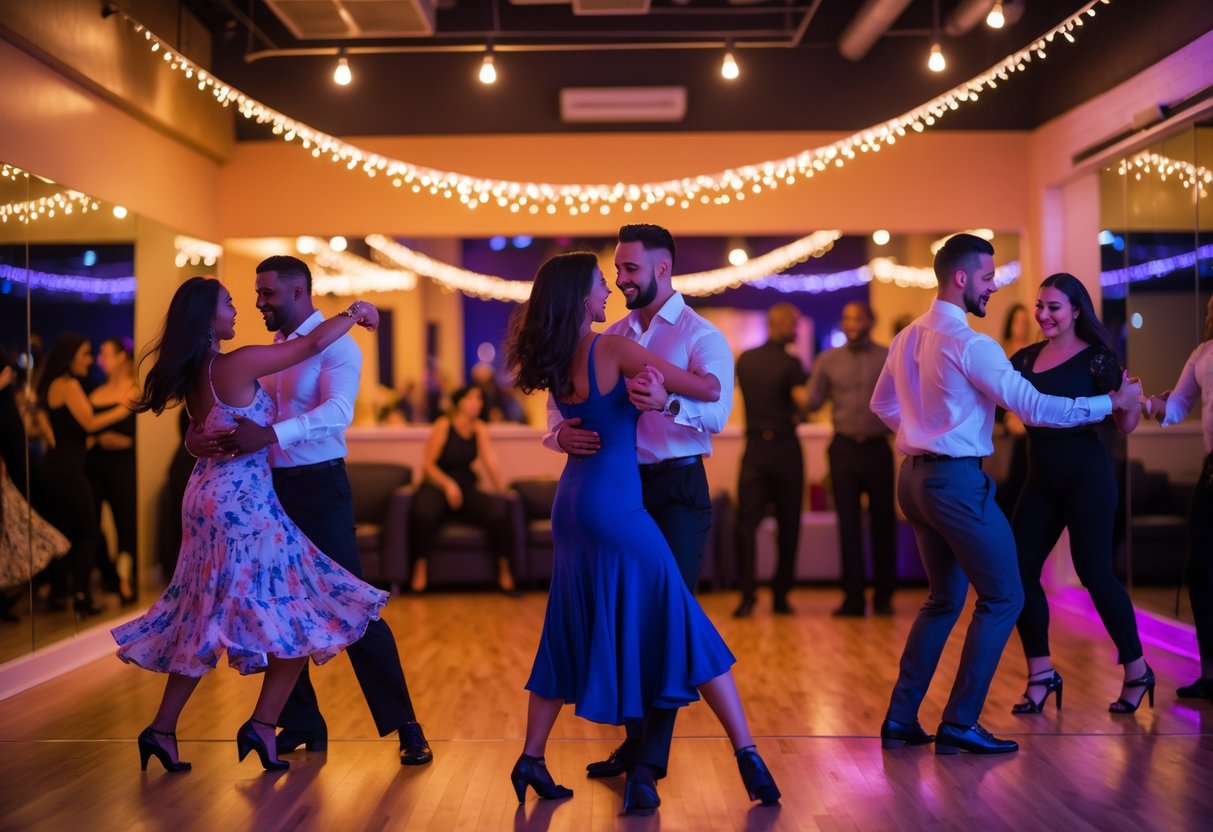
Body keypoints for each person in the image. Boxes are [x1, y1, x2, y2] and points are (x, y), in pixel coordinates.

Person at [507, 252, 778, 814]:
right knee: (686, 625)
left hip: (573, 507)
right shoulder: (613, 347)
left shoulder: (554, 354)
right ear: (580, 297)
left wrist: (574, 430)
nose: (609, 289)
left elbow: (568, 419)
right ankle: (746, 752)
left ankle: (531, 757)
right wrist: (666, 392)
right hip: (617, 511)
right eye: (600, 282)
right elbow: (708, 389)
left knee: (568, 629)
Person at [870, 234, 1143, 755]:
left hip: (914, 480)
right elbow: (1036, 408)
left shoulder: (908, 336)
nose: (994, 287)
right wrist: (1109, 402)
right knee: (1006, 594)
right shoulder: (972, 345)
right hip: (955, 483)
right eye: (989, 277)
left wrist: (925, 432)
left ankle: (901, 719)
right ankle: (959, 722)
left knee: (943, 600)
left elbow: (882, 405)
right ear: (961, 278)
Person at [110, 276, 388, 774]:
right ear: (207, 319)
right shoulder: (233, 364)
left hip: (207, 497)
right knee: (300, 611)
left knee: (203, 615)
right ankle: (260, 724)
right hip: (241, 503)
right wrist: (357, 310)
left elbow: (200, 432)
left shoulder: (198, 371)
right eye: (229, 303)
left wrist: (194, 442)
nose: (239, 309)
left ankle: (163, 729)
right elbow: (311, 344)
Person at [191, 255, 432, 766]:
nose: (259, 303)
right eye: (256, 294)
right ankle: (302, 722)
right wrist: (199, 439)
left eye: (268, 294)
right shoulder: (270, 353)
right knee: (277, 607)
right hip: (266, 490)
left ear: (298, 293)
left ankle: (406, 725)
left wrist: (270, 434)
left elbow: (338, 413)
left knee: (353, 603)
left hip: (320, 488)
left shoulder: (338, 344)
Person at [545, 224, 734, 789]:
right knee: (623, 619)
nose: (620, 280)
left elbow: (718, 413)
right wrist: (558, 437)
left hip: (677, 492)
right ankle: (634, 747)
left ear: (662, 269)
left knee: (669, 623)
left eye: (629, 269)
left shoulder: (702, 335)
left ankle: (651, 761)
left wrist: (667, 403)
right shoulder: (610, 334)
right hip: (621, 492)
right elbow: (558, 411)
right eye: (616, 271)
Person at [1008, 274, 1152, 715]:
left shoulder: (1098, 358)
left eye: (1053, 307)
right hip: (1040, 479)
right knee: (1018, 573)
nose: (1044, 314)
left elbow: (1125, 424)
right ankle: (1040, 674)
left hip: (1087, 477)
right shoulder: (1024, 359)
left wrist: (1131, 399)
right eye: (1040, 305)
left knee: (1095, 574)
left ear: (1075, 310)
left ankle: (1137, 670)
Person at [805, 300, 897, 618]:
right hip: (843, 449)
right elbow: (812, 401)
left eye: (858, 318)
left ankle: (884, 596)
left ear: (871, 321)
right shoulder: (828, 360)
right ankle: (853, 598)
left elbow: (906, 395)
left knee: (883, 523)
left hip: (878, 448)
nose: (852, 323)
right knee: (848, 524)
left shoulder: (888, 357)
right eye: (847, 318)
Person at [35, 333, 133, 616]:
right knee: (89, 531)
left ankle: (58, 590)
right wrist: (123, 409)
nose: (90, 361)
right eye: (86, 354)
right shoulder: (68, 385)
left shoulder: (53, 385)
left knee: (64, 530)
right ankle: (81, 597)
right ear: (70, 357)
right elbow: (89, 422)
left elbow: (65, 427)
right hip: (67, 470)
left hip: (54, 467)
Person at [1145, 294, 1213, 700]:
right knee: (1201, 571)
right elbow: (1176, 407)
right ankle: (1210, 673)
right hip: (1210, 472)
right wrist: (1141, 402)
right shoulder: (1202, 353)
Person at [732, 302, 808, 618]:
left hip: (754, 448)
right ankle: (780, 596)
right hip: (786, 448)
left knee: (745, 524)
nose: (796, 330)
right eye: (793, 323)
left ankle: (747, 596)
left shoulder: (746, 360)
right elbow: (804, 404)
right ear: (778, 323)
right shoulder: (791, 363)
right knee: (788, 524)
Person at [407, 384, 519, 594]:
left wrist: (503, 491)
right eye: (471, 398)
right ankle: (419, 570)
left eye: (479, 399)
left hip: (465, 484)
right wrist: (448, 484)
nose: (476, 403)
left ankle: (505, 573)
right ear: (459, 402)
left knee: (496, 514)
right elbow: (428, 465)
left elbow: (490, 460)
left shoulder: (480, 428)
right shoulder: (444, 424)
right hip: (437, 483)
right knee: (424, 515)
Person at [87, 336, 139, 604]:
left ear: (121, 357)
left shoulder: (134, 391)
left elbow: (142, 435)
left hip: (122, 466)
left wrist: (127, 442)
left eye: (104, 353)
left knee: (125, 523)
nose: (99, 359)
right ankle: (104, 574)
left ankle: (124, 579)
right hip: (94, 466)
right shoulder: (95, 393)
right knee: (90, 522)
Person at [995, 303, 1032, 518]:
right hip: (1008, 423)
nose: (1022, 326)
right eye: (1018, 321)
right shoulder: (1001, 351)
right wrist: (1008, 418)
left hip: (1028, 422)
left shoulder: (1034, 352)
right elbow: (994, 391)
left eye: (1025, 322)